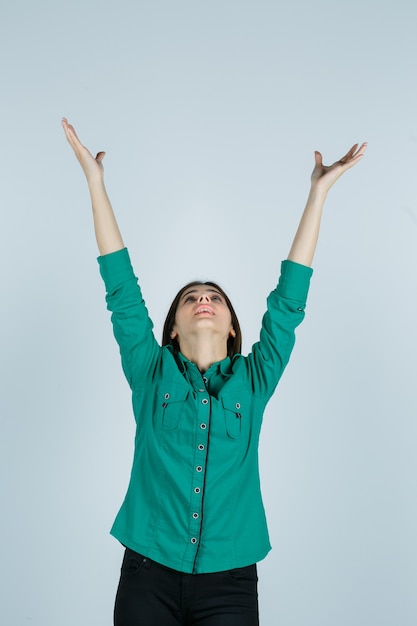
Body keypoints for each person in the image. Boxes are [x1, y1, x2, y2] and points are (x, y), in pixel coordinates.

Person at [62, 117, 366, 626]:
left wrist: (318, 195)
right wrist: (95, 183)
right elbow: (122, 289)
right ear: (173, 330)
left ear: (232, 329)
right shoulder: (149, 370)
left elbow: (290, 300)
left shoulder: (256, 378)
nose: (204, 299)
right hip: (147, 571)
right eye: (191, 297)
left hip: (230, 582)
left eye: (215, 297)